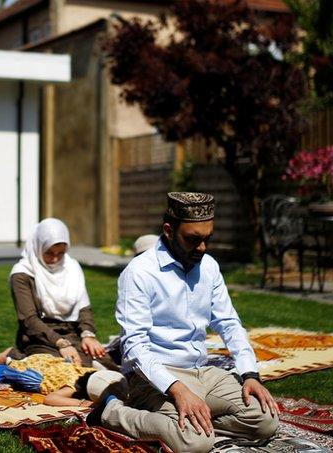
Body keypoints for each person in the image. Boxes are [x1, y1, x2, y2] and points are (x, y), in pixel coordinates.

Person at [93, 192, 279, 452]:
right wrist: (177, 390)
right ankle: (112, 412)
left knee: (266, 421)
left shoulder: (209, 267)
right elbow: (134, 347)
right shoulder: (139, 273)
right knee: (195, 442)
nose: (202, 247)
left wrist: (250, 374)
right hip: (155, 378)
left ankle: (195, 418)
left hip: (203, 372)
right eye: (193, 240)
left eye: (207, 239)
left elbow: (229, 323)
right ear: (169, 230)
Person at [9, 218, 112, 368]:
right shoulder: (22, 274)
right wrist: (61, 344)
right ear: (38, 247)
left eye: (61, 253)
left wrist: (88, 335)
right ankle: (15, 355)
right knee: (67, 368)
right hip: (39, 337)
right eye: (49, 253)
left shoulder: (71, 267)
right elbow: (29, 320)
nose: (55, 259)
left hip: (71, 333)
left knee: (106, 364)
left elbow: (83, 307)